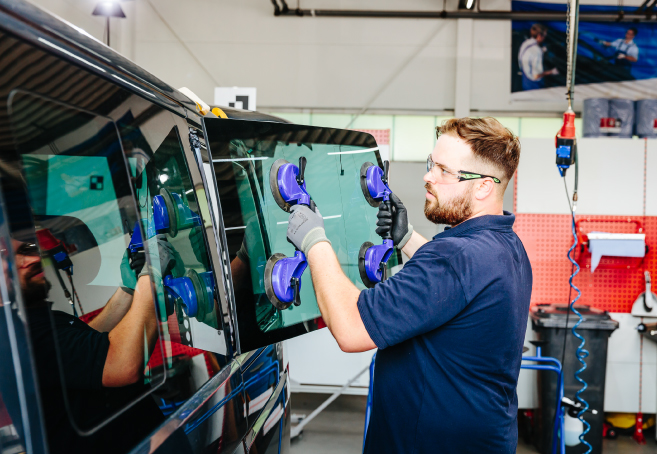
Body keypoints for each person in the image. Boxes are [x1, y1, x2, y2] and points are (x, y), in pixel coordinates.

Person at [284, 117, 532, 453]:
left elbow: (351, 327)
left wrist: (314, 239)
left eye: (444, 170)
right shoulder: (506, 246)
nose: (428, 177)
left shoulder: (455, 257)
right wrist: (405, 239)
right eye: (432, 164)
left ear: (483, 186)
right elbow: (454, 290)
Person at [14, 230, 188, 453]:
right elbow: (122, 364)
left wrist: (127, 289)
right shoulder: (22, 337)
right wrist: (151, 276)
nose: (34, 259)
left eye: (28, 249)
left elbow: (86, 350)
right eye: (11, 257)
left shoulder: (37, 319)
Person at [518, 23, 559, 90]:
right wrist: (552, 72)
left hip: (525, 81)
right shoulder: (537, 51)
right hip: (534, 86)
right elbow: (536, 76)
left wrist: (541, 50)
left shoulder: (525, 43)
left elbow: (528, 56)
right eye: (544, 36)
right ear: (539, 35)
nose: (545, 38)